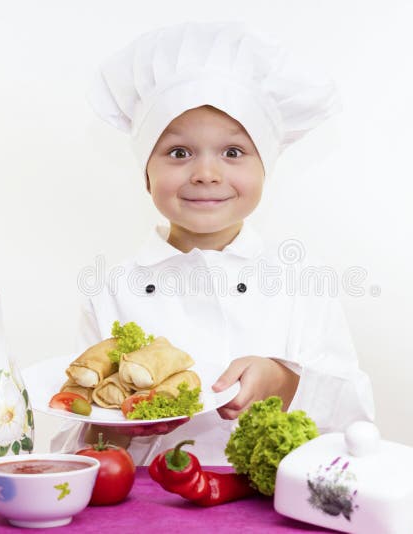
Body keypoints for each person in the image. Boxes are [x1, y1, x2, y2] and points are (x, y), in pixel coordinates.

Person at [51, 21, 374, 466]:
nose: (206, 173)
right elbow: (75, 438)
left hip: (273, 505)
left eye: (233, 152)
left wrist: (285, 382)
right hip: (149, 510)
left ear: (266, 169)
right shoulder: (113, 290)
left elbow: (357, 419)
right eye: (179, 153)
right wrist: (112, 425)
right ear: (147, 174)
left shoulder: (303, 282)